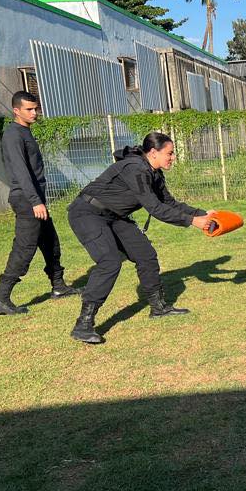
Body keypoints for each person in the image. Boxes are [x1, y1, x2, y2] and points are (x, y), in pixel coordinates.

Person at [66, 132, 215, 344]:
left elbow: (169, 203)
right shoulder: (135, 168)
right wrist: (192, 221)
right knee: (109, 262)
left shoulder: (154, 173)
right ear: (153, 152)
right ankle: (83, 324)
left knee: (145, 255)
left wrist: (202, 214)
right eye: (170, 153)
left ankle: (159, 308)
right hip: (87, 213)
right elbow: (155, 208)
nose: (173, 157)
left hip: (115, 216)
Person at [0, 91, 80, 315]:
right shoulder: (13, 135)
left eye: (35, 108)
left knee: (50, 242)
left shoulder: (25, 132)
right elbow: (21, 172)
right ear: (16, 110)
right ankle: (1, 298)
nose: (34, 113)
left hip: (34, 199)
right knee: (24, 248)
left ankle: (58, 286)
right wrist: (35, 201)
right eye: (29, 109)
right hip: (26, 200)